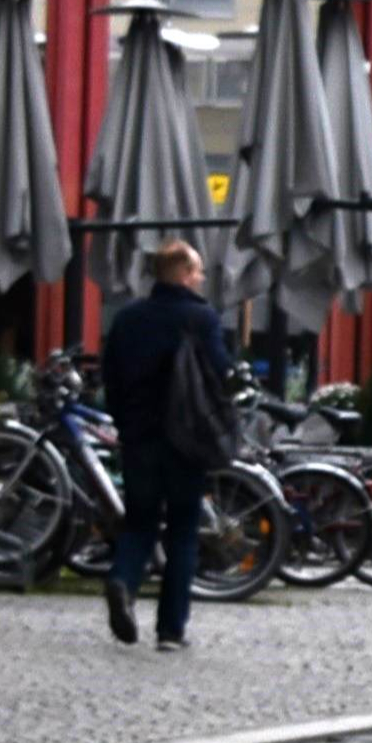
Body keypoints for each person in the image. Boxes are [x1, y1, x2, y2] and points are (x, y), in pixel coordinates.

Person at [96, 238, 235, 651]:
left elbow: (111, 379)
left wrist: (125, 424)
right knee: (183, 531)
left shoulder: (128, 318)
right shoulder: (200, 318)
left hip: (139, 437)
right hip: (186, 440)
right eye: (197, 271)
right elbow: (220, 374)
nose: (202, 278)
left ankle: (122, 579)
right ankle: (171, 630)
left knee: (138, 522)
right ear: (184, 275)